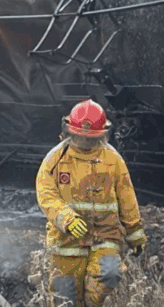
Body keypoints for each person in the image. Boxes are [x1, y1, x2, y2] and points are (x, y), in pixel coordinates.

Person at [36, 99, 146, 307]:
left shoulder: (112, 159)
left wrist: (135, 233)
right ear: (70, 131)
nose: (85, 142)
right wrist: (67, 219)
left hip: (105, 235)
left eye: (90, 138)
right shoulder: (56, 159)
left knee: (110, 273)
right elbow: (46, 195)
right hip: (65, 242)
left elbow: (126, 196)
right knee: (64, 299)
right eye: (80, 137)